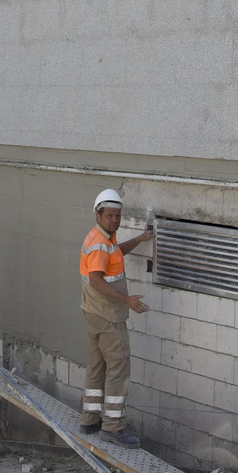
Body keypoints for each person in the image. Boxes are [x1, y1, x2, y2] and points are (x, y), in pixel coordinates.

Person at [78, 189, 153, 448]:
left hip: (94, 313)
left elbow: (116, 254)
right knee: (118, 368)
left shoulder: (102, 239)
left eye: (118, 215)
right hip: (108, 316)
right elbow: (98, 280)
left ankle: (89, 419)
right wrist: (128, 301)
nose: (114, 219)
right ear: (97, 215)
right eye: (109, 215)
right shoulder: (101, 243)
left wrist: (141, 238)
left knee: (97, 366)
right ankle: (113, 426)